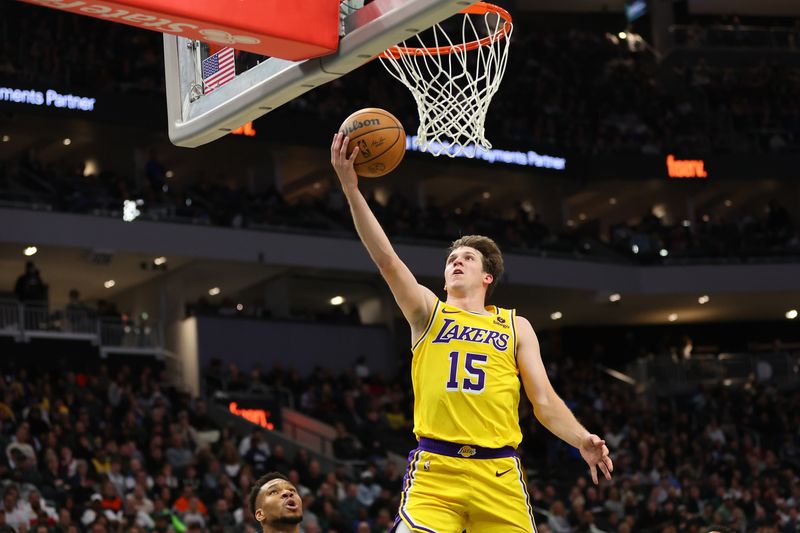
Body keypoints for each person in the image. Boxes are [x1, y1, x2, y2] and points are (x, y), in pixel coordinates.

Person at [331, 132, 613, 533]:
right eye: (451, 259)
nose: (456, 262)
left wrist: (581, 439)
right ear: (444, 279)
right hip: (436, 471)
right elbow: (388, 260)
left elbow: (544, 400)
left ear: (487, 276)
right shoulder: (428, 312)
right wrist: (351, 189)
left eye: (467, 257)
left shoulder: (516, 326)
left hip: (498, 474)